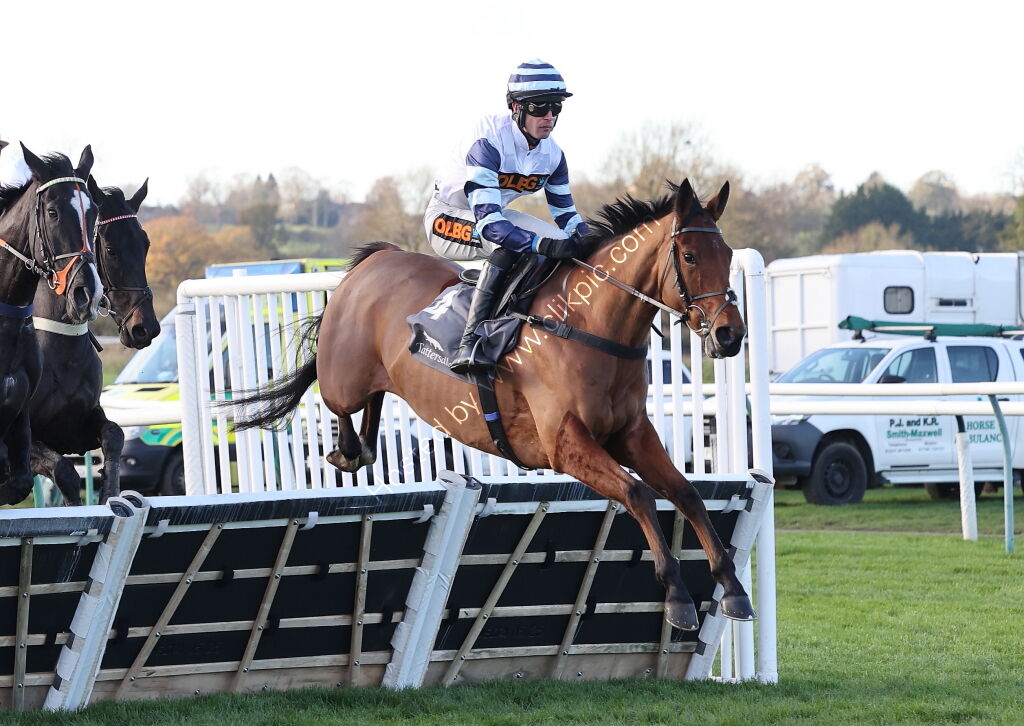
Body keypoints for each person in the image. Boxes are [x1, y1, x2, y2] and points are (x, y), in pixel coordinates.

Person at [424, 59, 591, 374]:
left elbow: (567, 217)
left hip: (497, 217)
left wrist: (593, 240)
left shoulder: (553, 155)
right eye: (540, 107)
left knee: (561, 246)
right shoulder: (488, 141)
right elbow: (490, 224)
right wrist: (542, 246)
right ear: (516, 107)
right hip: (447, 219)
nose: (550, 116)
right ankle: (470, 342)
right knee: (515, 247)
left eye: (556, 107)